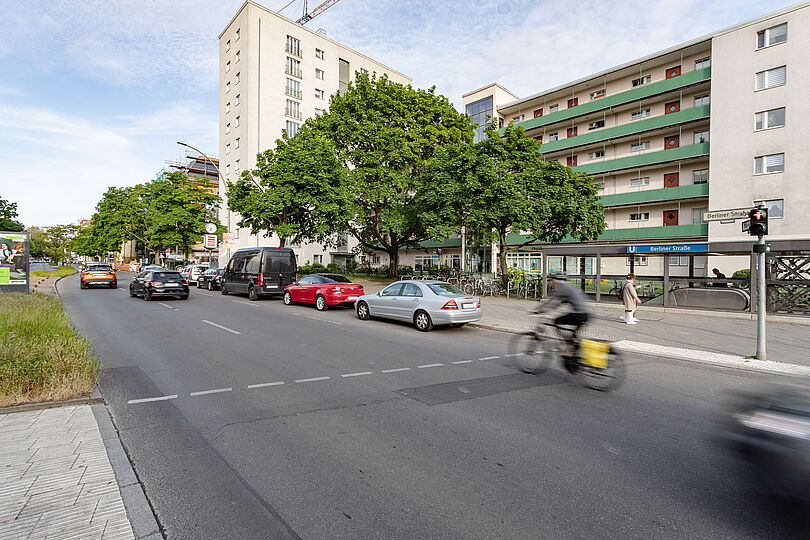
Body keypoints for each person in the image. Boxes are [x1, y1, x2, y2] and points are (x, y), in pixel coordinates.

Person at [535, 272, 591, 371]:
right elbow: (558, 303)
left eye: (551, 280)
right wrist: (548, 309)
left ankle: (567, 347)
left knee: (556, 321)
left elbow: (552, 301)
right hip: (586, 315)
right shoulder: (569, 287)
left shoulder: (562, 287)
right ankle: (572, 351)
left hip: (579, 314)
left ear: (555, 280)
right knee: (573, 336)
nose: (551, 283)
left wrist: (538, 310)